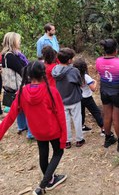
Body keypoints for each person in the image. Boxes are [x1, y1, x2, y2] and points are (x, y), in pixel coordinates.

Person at [0, 61, 67, 195]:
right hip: (53, 130)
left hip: (37, 132)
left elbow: (10, 117)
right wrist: (64, 137)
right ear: (44, 74)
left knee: (43, 154)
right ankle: (44, 184)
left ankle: (49, 179)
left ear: (29, 75)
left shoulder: (22, 93)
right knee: (58, 152)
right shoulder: (51, 91)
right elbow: (61, 116)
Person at [96, 39, 119, 152]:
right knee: (117, 118)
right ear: (116, 50)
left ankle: (108, 138)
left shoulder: (98, 61)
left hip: (104, 90)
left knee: (107, 115)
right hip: (118, 92)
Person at [1, 32, 33, 139]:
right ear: (13, 41)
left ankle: (21, 126)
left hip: (12, 85)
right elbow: (21, 70)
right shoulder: (11, 56)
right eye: (18, 40)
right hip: (20, 85)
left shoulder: (5, 55)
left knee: (19, 106)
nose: (19, 42)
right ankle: (31, 133)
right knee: (27, 107)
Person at [52, 48, 85, 149]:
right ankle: (79, 139)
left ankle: (67, 141)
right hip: (74, 98)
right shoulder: (73, 71)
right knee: (77, 119)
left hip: (61, 99)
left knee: (65, 121)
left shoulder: (55, 70)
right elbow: (80, 83)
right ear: (69, 60)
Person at [73, 58, 104, 135]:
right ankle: (103, 129)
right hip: (87, 98)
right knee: (96, 112)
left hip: (78, 97)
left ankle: (82, 127)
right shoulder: (86, 77)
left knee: (81, 113)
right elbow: (93, 89)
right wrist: (95, 82)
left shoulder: (74, 76)